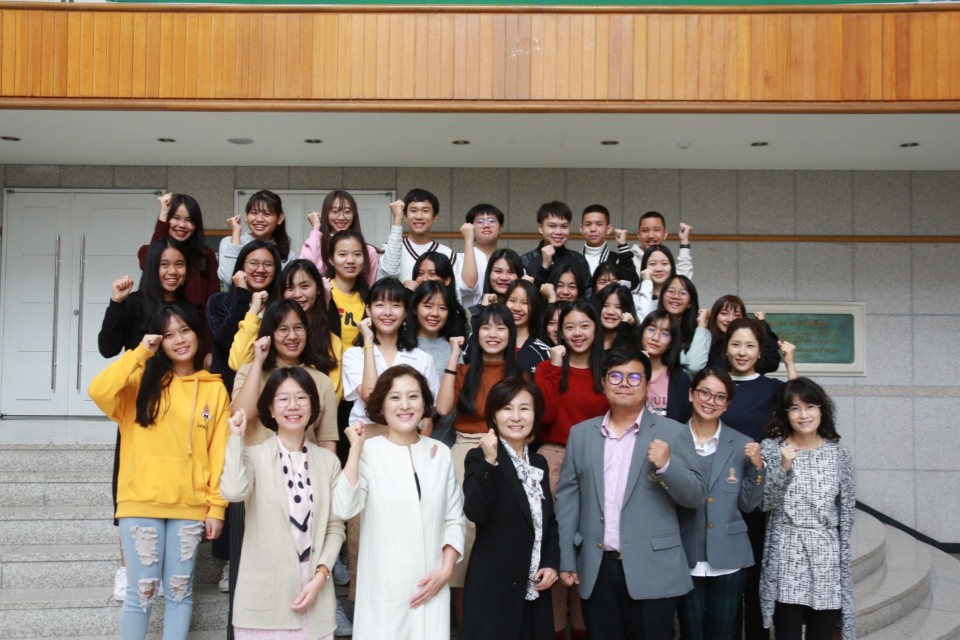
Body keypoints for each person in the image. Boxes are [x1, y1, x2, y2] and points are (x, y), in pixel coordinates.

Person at [88, 302, 229, 640]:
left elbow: (220, 454)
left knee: (181, 591)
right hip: (141, 504)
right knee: (143, 592)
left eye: (185, 330)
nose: (179, 340)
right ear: (157, 340)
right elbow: (98, 390)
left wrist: (217, 507)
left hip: (190, 506)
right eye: (168, 334)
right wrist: (140, 352)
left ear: (197, 333)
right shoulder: (138, 382)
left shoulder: (214, 388)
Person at [555, 344, 707, 640]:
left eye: (635, 378)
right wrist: (567, 560)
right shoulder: (581, 434)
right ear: (603, 382)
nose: (625, 384)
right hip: (596, 568)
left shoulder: (673, 432)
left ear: (648, 385)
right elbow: (568, 502)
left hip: (654, 569)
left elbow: (697, 495)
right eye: (615, 376)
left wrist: (667, 466)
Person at [333, 365, 466, 640]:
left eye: (413, 396)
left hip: (432, 583)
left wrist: (446, 570)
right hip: (384, 590)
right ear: (381, 404)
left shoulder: (440, 453)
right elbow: (344, 508)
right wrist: (355, 452)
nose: (405, 405)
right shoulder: (368, 451)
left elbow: (454, 518)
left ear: (425, 403)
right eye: (395, 397)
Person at [220, 369, 346, 640]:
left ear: (313, 406)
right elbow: (232, 492)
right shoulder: (254, 456)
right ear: (270, 408)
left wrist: (321, 576)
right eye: (283, 399)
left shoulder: (328, 462)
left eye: (302, 397)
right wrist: (235, 439)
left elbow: (336, 527)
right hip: (263, 602)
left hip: (315, 595)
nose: (293, 405)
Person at [98, 238, 190, 602]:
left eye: (179, 264)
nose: (172, 271)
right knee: (129, 482)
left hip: (177, 406)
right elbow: (107, 347)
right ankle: (127, 569)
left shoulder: (187, 308)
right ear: (152, 267)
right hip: (137, 405)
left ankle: (162, 570)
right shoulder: (134, 303)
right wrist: (116, 302)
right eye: (165, 264)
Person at [436, 303, 521, 626]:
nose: (493, 334)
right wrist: (454, 356)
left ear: (511, 334)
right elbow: (443, 407)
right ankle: (465, 625)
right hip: (465, 453)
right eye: (486, 327)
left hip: (509, 453)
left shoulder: (521, 375)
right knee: (463, 535)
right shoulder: (463, 371)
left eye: (501, 327)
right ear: (477, 333)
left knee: (502, 534)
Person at [461, 377, 559, 640]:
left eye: (524, 408)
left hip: (534, 586)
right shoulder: (480, 458)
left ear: (535, 414)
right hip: (494, 586)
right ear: (493, 414)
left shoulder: (539, 461)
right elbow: (475, 512)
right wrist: (490, 463)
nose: (516, 417)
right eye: (506, 408)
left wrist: (551, 563)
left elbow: (547, 522)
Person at [534, 299, 609, 639]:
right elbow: (545, 416)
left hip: (600, 461)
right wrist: (554, 364)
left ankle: (581, 629)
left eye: (584, 326)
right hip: (554, 458)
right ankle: (554, 630)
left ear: (597, 328)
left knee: (589, 546)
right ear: (558, 331)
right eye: (569, 327)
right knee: (555, 544)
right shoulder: (547, 368)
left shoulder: (609, 369)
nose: (577, 333)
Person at [760, 378, 855, 640]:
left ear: (822, 409)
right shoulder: (771, 448)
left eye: (810, 406)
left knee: (822, 632)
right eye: (795, 408)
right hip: (787, 551)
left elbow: (846, 513)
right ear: (785, 413)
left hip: (826, 553)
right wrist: (783, 469)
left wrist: (840, 555)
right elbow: (764, 503)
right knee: (787, 631)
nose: (804, 415)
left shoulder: (839, 454)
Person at [721, 317, 796, 640]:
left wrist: (791, 364)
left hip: (758, 497)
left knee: (755, 583)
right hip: (719, 495)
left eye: (749, 345)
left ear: (759, 351)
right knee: (727, 582)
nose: (742, 352)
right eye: (736, 344)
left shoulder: (773, 389)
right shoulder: (714, 384)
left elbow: (802, 411)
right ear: (725, 348)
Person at [676, 367, 765, 640]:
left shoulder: (742, 444)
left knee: (724, 633)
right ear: (692, 395)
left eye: (719, 397)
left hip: (729, 557)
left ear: (726, 405)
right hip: (684, 554)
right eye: (704, 392)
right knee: (691, 632)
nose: (710, 401)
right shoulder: (671, 440)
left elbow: (749, 505)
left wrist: (758, 469)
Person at [228, 259, 343, 400]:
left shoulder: (331, 341)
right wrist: (253, 311)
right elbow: (237, 363)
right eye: (289, 288)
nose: (297, 294)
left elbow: (333, 396)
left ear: (318, 289)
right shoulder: (269, 331)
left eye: (305, 286)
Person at [341, 278, 440, 431]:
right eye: (380, 305)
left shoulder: (422, 358)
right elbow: (371, 398)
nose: (387, 313)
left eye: (395, 305)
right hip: (369, 441)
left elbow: (427, 417)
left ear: (406, 311)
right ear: (368, 310)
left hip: (411, 440)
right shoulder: (354, 355)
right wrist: (368, 341)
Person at [137, 193, 219, 357]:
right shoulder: (147, 251)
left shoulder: (205, 255)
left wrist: (209, 350)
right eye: (175, 218)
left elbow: (212, 305)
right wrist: (163, 214)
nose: (182, 225)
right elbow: (150, 261)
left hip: (195, 341)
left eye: (189, 220)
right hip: (157, 337)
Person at [207, 240, 283, 394]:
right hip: (227, 390)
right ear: (242, 267)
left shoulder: (281, 307)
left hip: (269, 390)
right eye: (253, 263)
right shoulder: (218, 301)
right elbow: (226, 340)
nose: (260, 270)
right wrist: (242, 294)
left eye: (268, 264)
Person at [407, 280, 467, 446]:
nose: (435, 313)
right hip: (405, 441)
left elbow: (456, 399)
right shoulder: (401, 346)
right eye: (428, 305)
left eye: (442, 308)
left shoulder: (453, 349)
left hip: (444, 443)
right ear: (414, 308)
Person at [300, 190, 380, 286]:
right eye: (335, 211)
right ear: (326, 214)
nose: (341, 217)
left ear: (354, 215)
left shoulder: (368, 251)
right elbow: (306, 271)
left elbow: (369, 288)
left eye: (347, 212)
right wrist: (316, 228)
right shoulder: (316, 244)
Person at [218, 190, 295, 289]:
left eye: (267, 214)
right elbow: (229, 278)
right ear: (246, 216)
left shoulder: (288, 255)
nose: (259, 219)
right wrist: (236, 233)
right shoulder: (229, 242)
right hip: (236, 303)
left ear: (280, 218)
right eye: (254, 213)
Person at [377, 188, 457, 282]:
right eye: (413, 211)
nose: (419, 216)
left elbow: (455, 291)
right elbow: (390, 272)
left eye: (425, 211)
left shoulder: (448, 253)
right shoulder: (391, 248)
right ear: (405, 216)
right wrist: (397, 218)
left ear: (435, 217)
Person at [521, 201, 591, 289]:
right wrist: (544, 267)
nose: (558, 232)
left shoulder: (579, 260)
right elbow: (527, 298)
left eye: (564, 226)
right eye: (552, 226)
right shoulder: (526, 261)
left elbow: (587, 296)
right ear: (541, 228)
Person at [706, 295, 782, 375]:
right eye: (724, 313)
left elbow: (771, 363)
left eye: (737, 315)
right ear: (714, 315)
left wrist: (762, 324)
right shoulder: (706, 341)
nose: (730, 319)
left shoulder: (750, 343)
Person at [639, 310, 692, 424]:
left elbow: (684, 421)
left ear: (671, 343)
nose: (655, 337)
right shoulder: (627, 371)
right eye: (651, 329)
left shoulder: (680, 379)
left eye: (664, 334)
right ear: (642, 332)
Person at [325, 229, 371, 349]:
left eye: (357, 254)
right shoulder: (323, 291)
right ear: (331, 259)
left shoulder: (369, 298)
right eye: (342, 254)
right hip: (326, 366)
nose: (351, 260)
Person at [658, 275, 711, 376]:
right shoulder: (653, 328)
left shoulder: (702, 333)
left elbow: (694, 366)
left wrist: (701, 324)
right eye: (670, 291)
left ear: (690, 303)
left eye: (683, 293)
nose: (675, 296)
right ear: (662, 296)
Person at [578, 204, 639, 291]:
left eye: (599, 224)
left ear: (609, 229)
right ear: (581, 229)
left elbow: (633, 283)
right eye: (588, 224)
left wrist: (623, 246)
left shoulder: (616, 260)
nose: (593, 229)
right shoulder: (574, 259)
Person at [458, 203, 505, 309]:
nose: (486, 225)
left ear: (500, 228)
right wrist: (468, 240)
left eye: (491, 221)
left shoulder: (508, 261)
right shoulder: (459, 259)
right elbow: (468, 286)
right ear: (471, 228)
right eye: (480, 221)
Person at [504, 280, 552, 377]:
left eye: (525, 303)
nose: (517, 308)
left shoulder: (544, 352)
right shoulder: (491, 342)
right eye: (512, 301)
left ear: (535, 308)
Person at [629, 211, 693, 280]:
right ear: (638, 235)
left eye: (656, 230)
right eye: (645, 230)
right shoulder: (627, 261)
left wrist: (684, 241)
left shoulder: (666, 260)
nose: (651, 235)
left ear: (665, 234)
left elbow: (683, 283)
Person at [633, 244, 677, 320]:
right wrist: (646, 282)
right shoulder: (635, 299)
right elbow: (643, 320)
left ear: (672, 267)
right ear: (644, 267)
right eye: (652, 264)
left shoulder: (677, 298)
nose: (659, 269)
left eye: (664, 263)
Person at [594, 283, 638, 351]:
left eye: (618, 307)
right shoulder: (590, 337)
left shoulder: (635, 341)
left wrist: (624, 328)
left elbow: (618, 359)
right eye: (605, 305)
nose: (610, 312)